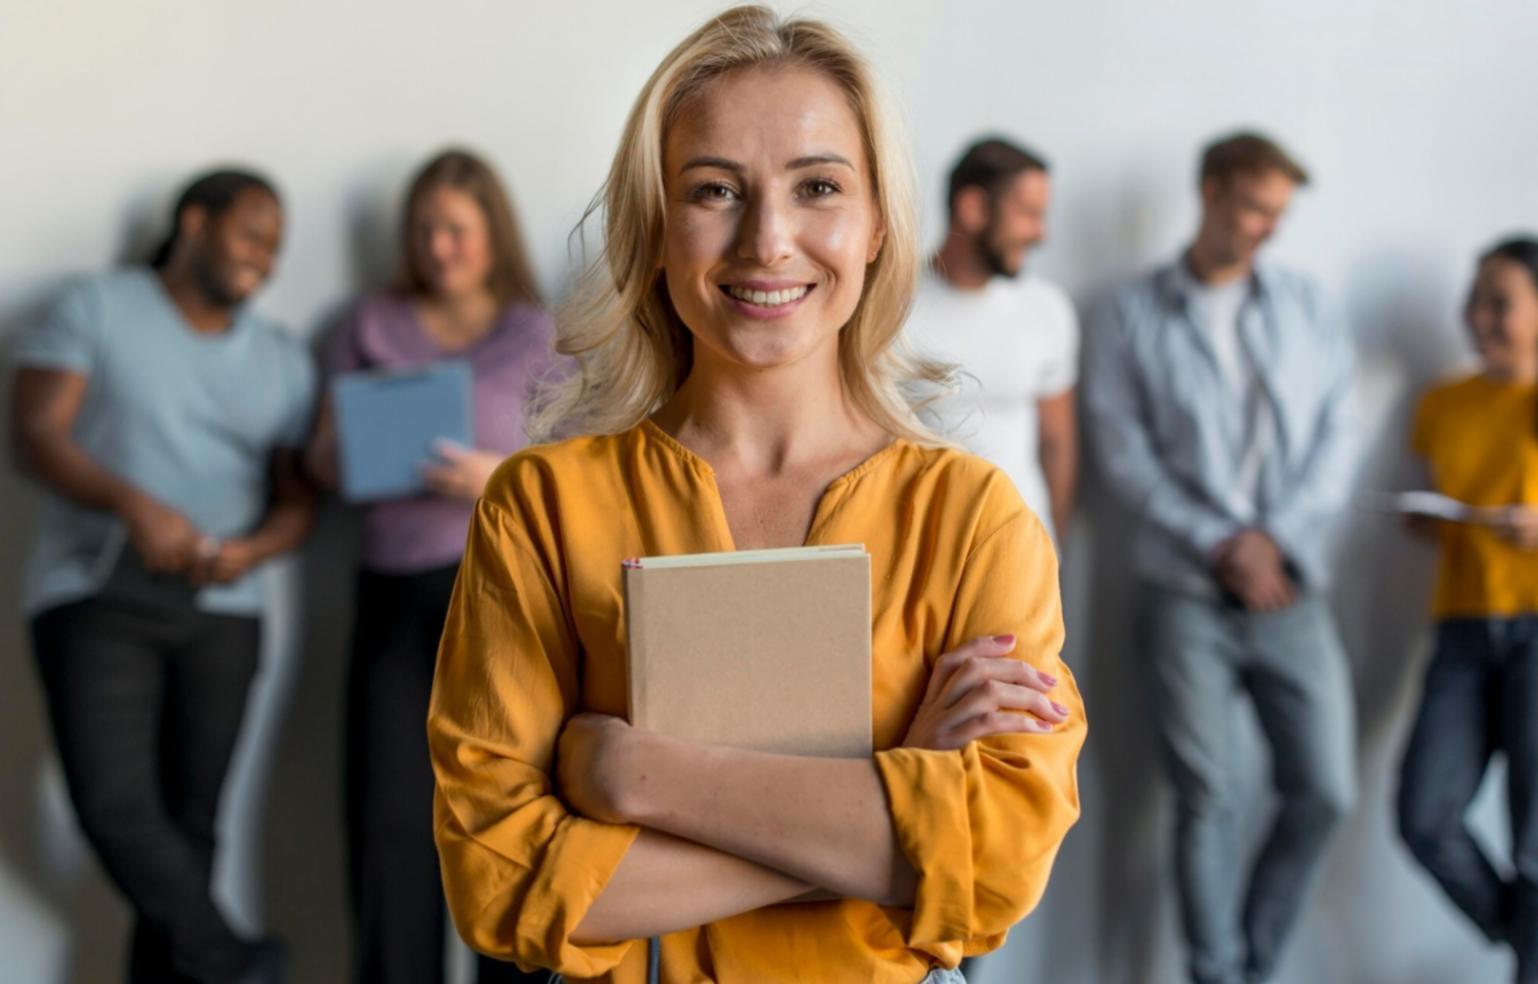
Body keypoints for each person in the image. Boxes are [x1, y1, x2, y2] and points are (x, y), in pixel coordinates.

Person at [426, 6, 1087, 982]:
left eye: (816, 186)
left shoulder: (971, 517)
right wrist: (885, 807)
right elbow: (499, 878)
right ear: (654, 231)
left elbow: (996, 861)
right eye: (712, 190)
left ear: (874, 227)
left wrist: (632, 778)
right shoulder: (538, 505)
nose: (768, 239)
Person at [9, 168, 318, 984]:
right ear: (193, 222)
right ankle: (237, 961)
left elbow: (297, 498)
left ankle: (209, 966)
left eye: (276, 247)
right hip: (97, 594)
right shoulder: (96, 307)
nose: (266, 258)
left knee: (191, 832)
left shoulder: (282, 361)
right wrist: (132, 505)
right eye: (253, 233)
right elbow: (35, 431)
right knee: (114, 807)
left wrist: (257, 550)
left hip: (225, 608)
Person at [1082, 132, 1357, 984]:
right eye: (1252, 206)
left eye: (1279, 212)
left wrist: (1270, 540)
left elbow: (1337, 435)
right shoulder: (1128, 311)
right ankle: (1216, 975)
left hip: (1291, 587)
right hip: (1183, 591)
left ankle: (1253, 965)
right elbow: (1122, 451)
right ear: (1208, 193)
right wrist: (1219, 543)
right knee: (1210, 798)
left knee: (1325, 793)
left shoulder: (1307, 305)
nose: (1268, 227)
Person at [303, 148, 552, 984]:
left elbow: (584, 473)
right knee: (389, 823)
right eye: (424, 230)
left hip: (507, 600)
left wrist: (497, 478)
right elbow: (320, 461)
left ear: (493, 234)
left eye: (456, 229)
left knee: (504, 821)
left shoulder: (538, 334)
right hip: (393, 596)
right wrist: (354, 453)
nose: (439, 247)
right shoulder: (365, 326)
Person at [1396, 237, 1538, 984]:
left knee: (1535, 839)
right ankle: (1525, 939)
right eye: (1473, 299)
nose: (1478, 316)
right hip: (1461, 626)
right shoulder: (1442, 403)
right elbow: (1433, 499)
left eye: (1500, 302)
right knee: (1423, 815)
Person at [903, 137, 1079, 547]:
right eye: (1029, 214)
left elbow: (1058, 442)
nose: (1040, 234)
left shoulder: (1047, 308)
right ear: (974, 208)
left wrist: (1054, 547)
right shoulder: (888, 307)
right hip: (919, 553)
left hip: (1022, 548)